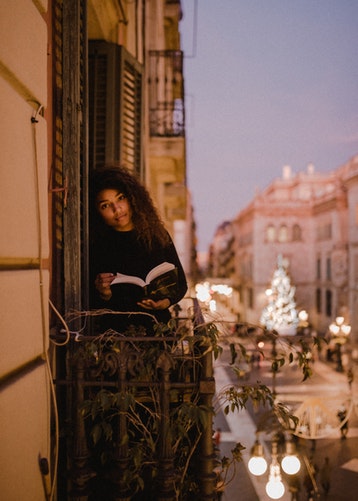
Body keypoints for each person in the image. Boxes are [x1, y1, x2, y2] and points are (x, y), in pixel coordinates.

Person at [89, 165, 188, 334]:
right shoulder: (98, 244)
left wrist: (164, 302)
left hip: (158, 332)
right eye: (106, 205)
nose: (117, 209)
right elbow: (92, 301)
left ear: (132, 198)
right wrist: (104, 293)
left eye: (120, 198)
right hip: (118, 337)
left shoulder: (157, 235)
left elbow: (181, 284)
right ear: (97, 212)